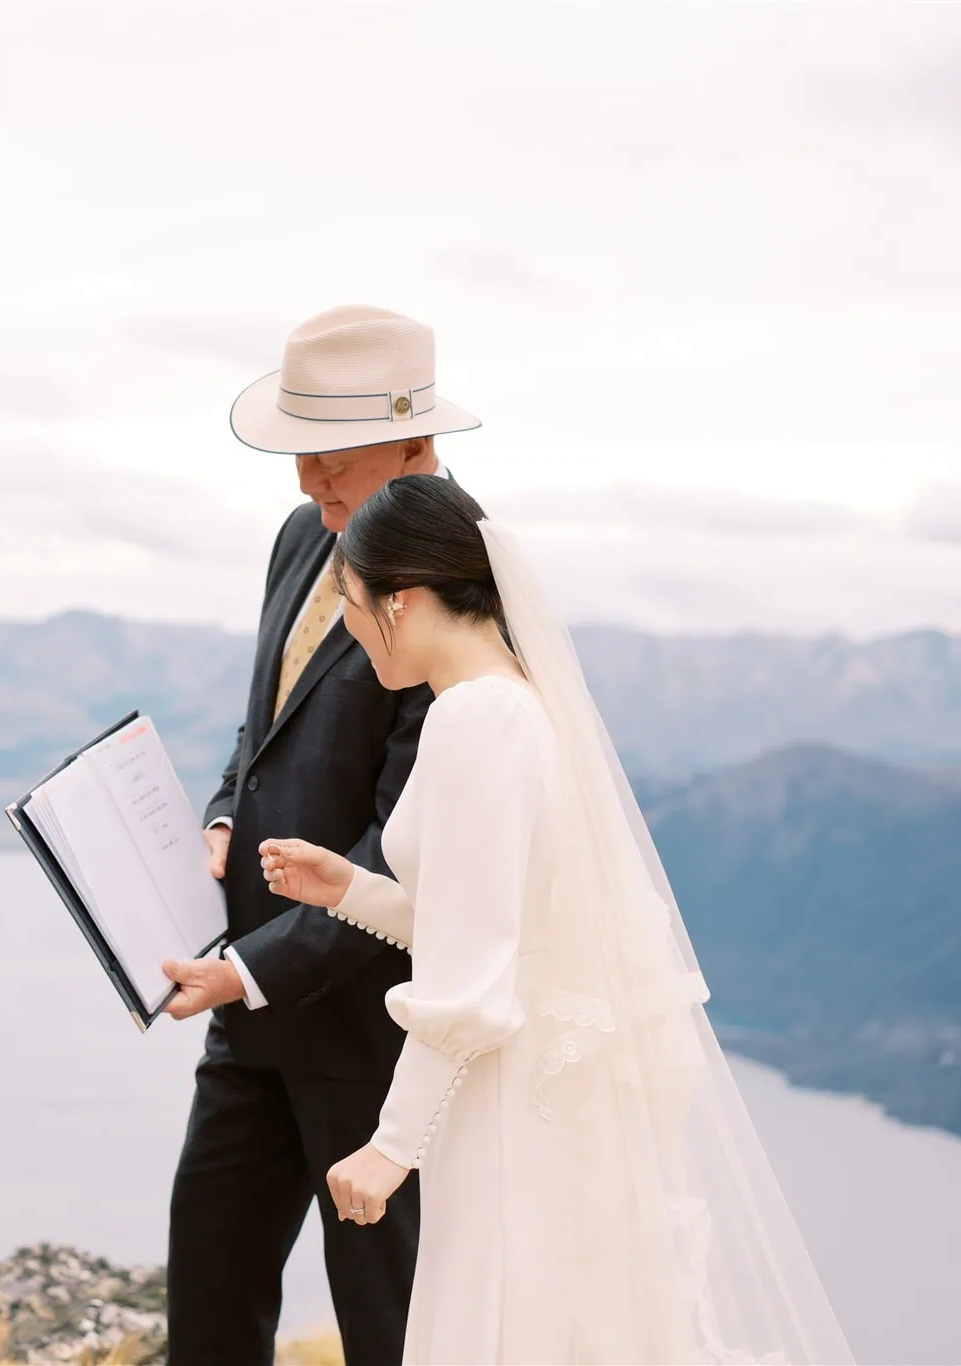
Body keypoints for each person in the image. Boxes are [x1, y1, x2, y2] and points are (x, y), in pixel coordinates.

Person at [259, 474, 854, 1363]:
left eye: (351, 601)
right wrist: (349, 887)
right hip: (539, 1083)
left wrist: (388, 1149)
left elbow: (471, 977)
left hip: (508, 1097)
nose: (348, 625)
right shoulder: (512, 704)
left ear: (404, 600)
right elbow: (490, 921)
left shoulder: (474, 720)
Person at [157, 305, 481, 1364]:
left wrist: (247, 970)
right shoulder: (303, 537)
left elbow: (408, 850)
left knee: (386, 1327)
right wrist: (219, 810)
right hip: (248, 1019)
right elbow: (269, 721)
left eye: (331, 455)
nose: (308, 482)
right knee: (207, 1300)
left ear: (414, 444)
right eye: (299, 451)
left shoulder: (458, 578)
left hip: (369, 1034)